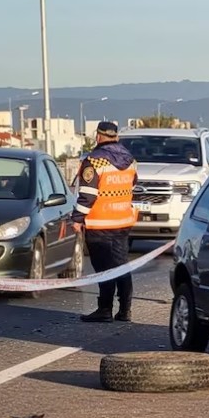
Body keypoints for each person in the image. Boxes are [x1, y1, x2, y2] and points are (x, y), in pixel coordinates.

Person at [74, 121, 138, 322]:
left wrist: (77, 219)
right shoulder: (130, 159)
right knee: (121, 265)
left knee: (104, 269)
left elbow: (87, 195)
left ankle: (105, 309)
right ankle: (125, 310)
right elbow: (133, 184)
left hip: (100, 224)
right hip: (123, 221)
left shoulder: (94, 161)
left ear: (98, 137)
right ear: (116, 137)